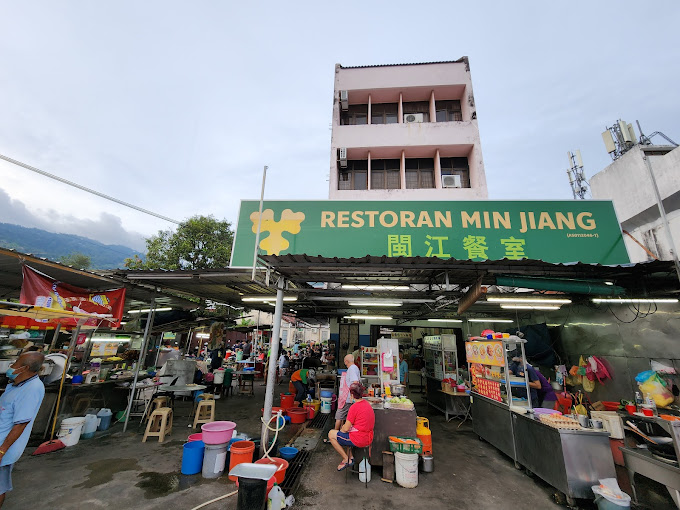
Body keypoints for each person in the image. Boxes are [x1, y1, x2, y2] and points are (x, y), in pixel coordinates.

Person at [0, 352, 46, 507]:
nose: (11, 367)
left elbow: (21, 424)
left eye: (15, 363)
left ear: (25, 368)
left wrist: (2, 451)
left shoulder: (32, 389)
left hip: (3, 445)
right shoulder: (16, 383)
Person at [327, 382, 375, 471]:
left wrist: (341, 429)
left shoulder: (354, 407)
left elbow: (345, 428)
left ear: (352, 395)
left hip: (360, 439)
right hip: (369, 437)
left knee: (331, 434)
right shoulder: (367, 404)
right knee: (346, 434)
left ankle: (346, 459)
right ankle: (350, 456)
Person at [330, 354, 361, 437]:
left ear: (346, 361)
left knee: (339, 416)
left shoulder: (351, 369)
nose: (345, 364)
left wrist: (352, 396)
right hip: (349, 398)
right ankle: (341, 434)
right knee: (345, 416)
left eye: (345, 362)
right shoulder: (355, 368)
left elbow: (355, 382)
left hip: (347, 398)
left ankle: (334, 435)